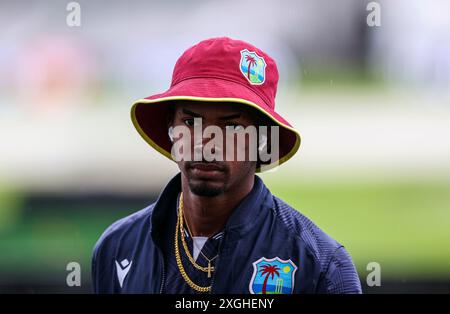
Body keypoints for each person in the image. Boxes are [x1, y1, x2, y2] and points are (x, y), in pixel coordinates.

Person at [91, 37, 362, 294]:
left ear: (262, 139)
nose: (207, 143)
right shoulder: (118, 247)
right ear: (171, 128)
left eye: (231, 126)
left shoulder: (320, 265)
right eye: (190, 121)